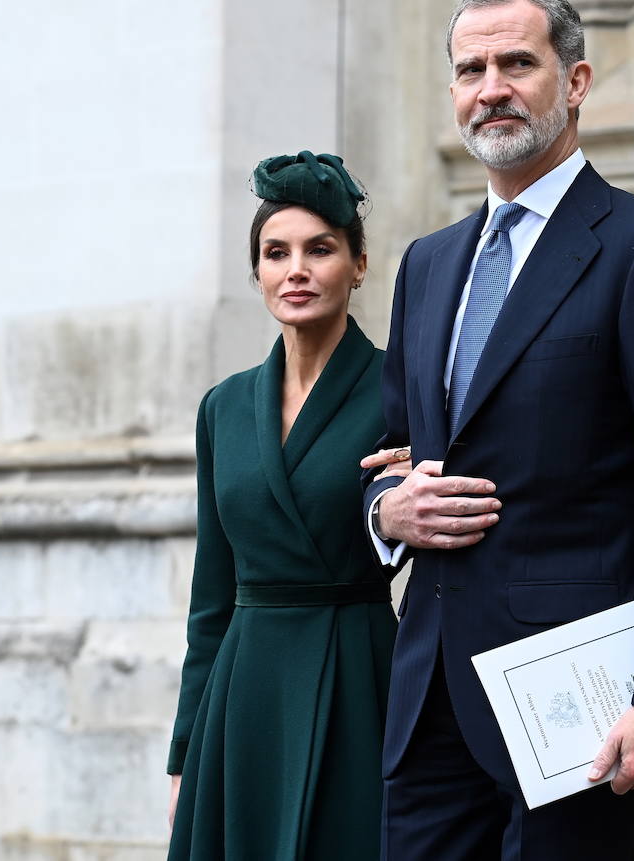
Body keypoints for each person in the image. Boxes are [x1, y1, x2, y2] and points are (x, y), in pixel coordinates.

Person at [361, 0, 634, 860]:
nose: (490, 87)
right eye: (470, 68)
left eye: (516, 63)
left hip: (578, 700)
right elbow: (390, 456)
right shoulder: (427, 266)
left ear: (574, 83)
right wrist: (387, 516)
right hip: (428, 694)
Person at [167, 151, 400, 861]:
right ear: (259, 272)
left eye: (319, 249)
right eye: (276, 253)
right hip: (244, 692)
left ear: (357, 265)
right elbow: (211, 594)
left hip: (358, 674)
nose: (295, 269)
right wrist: (184, 754)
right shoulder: (224, 406)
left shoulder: (402, 387)